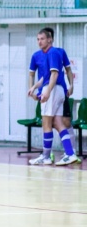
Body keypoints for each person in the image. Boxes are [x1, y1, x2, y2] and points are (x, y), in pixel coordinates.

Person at [27, 28, 78, 165]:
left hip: (54, 89)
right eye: (38, 39)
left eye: (42, 39)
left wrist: (48, 91)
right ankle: (70, 153)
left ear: (50, 39)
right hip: (55, 89)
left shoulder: (53, 52)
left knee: (46, 123)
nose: (39, 42)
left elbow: (54, 75)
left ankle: (46, 156)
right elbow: (45, 77)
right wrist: (34, 88)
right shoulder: (45, 54)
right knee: (58, 122)